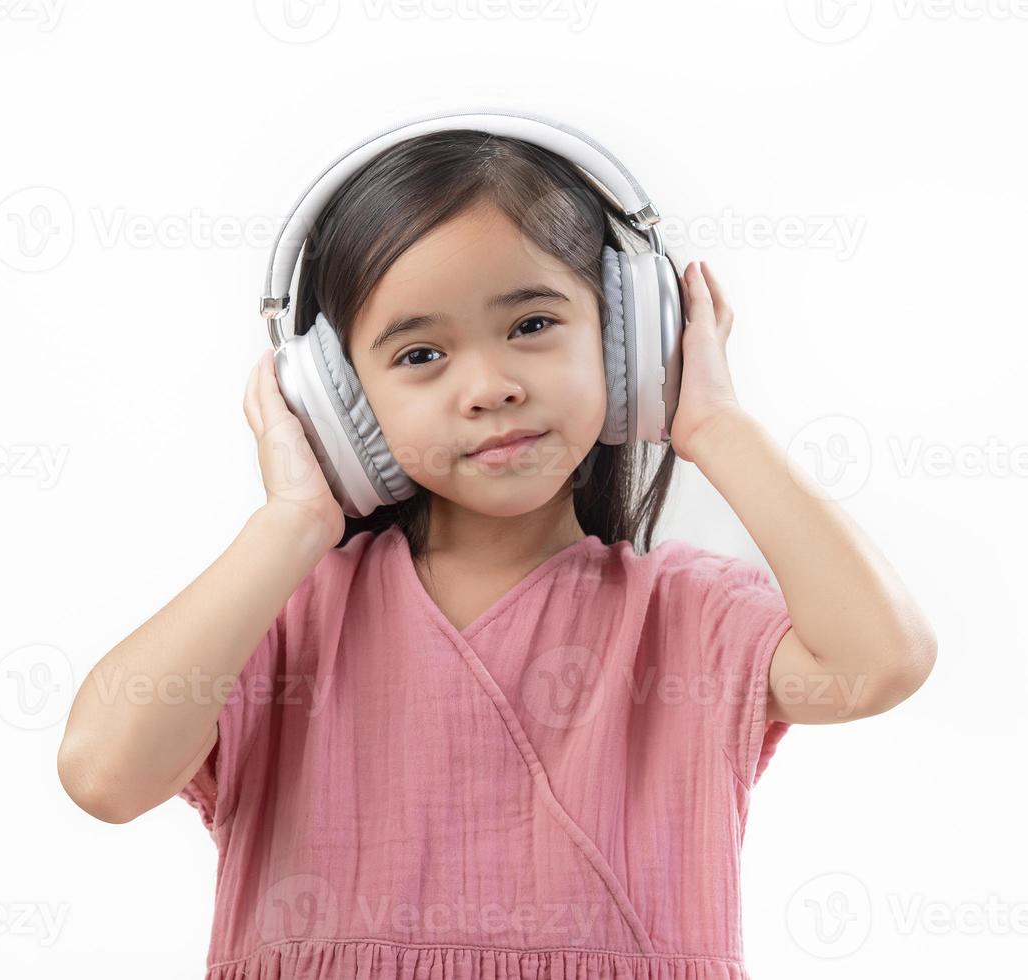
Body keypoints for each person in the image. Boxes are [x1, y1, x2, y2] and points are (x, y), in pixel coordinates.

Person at [56, 129, 938, 980]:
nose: (490, 386)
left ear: (629, 341)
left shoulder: (682, 616)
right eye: (422, 353)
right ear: (338, 403)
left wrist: (713, 425)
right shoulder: (282, 622)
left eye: (531, 325)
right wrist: (290, 523)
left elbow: (879, 661)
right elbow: (104, 776)